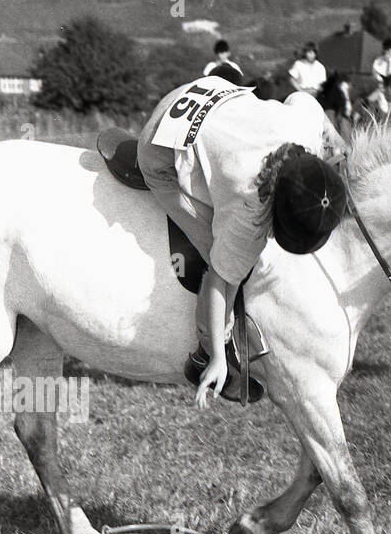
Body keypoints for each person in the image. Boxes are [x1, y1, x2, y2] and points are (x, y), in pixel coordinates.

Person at [136, 76, 347, 406]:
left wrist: (335, 139)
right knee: (217, 256)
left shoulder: (302, 128)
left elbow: (305, 102)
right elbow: (220, 281)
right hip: (160, 143)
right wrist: (219, 357)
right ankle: (208, 353)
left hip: (212, 91)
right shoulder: (249, 211)